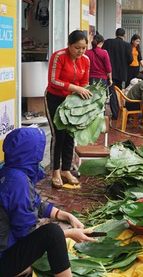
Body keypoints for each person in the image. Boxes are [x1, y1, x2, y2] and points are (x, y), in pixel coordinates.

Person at [0, 128, 96, 277]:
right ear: (29, 154)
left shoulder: (8, 172)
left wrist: (67, 216)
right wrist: (68, 234)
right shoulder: (18, 182)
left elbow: (34, 203)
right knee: (53, 234)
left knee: (50, 236)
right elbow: (27, 232)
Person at [45, 30, 92, 189]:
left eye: (84, 48)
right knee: (58, 135)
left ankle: (66, 169)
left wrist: (85, 97)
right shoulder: (58, 56)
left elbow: (84, 83)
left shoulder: (85, 60)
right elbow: (53, 81)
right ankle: (55, 171)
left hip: (72, 102)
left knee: (70, 134)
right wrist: (76, 89)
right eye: (77, 48)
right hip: (55, 99)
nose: (81, 52)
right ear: (69, 45)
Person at [102, 28, 133, 121]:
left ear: (115, 34)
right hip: (121, 73)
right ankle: (118, 112)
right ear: (124, 35)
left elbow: (103, 55)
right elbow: (130, 60)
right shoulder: (127, 45)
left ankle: (116, 114)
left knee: (112, 93)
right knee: (118, 92)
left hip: (110, 72)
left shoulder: (108, 42)